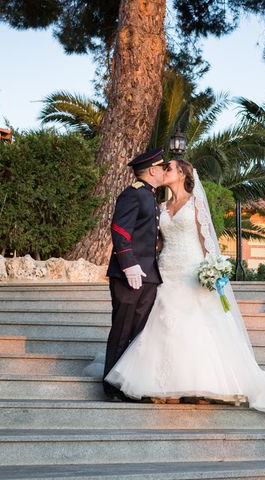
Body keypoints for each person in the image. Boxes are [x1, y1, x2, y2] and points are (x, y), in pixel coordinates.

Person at [103, 159, 265, 417]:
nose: (165, 170)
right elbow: (152, 239)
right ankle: (165, 385)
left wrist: (213, 269)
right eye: (164, 167)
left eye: (170, 167)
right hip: (165, 271)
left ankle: (203, 384)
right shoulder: (159, 205)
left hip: (191, 271)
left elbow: (207, 241)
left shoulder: (195, 203)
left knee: (194, 325)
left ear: (183, 174)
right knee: (163, 325)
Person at [102, 148, 166, 401]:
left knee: (138, 332)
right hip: (130, 274)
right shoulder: (133, 194)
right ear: (153, 169)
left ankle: (129, 384)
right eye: (162, 167)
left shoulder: (149, 196)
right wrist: (128, 264)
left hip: (148, 274)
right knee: (122, 329)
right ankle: (111, 384)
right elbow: (119, 229)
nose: (163, 171)